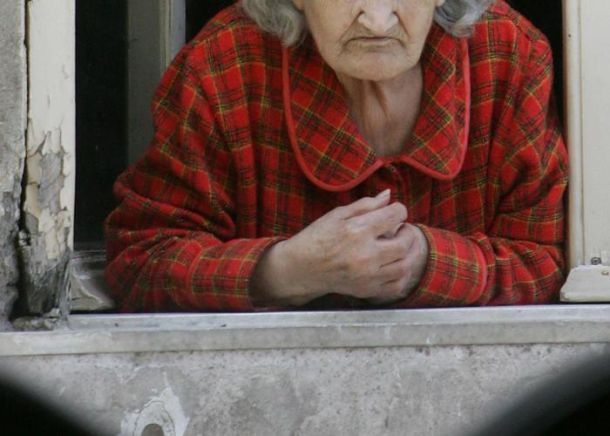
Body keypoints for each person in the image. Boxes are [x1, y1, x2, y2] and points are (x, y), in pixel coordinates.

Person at [105, 0, 568, 312]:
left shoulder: (508, 56)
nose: (378, 21)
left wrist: (427, 263)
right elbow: (140, 262)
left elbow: (551, 261)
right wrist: (286, 270)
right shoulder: (224, 66)